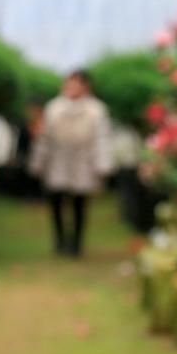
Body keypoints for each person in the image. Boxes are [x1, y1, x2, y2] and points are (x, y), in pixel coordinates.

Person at [29, 71, 113, 256]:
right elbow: (45, 139)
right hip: (58, 162)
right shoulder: (54, 108)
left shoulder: (96, 110)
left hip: (83, 163)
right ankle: (60, 241)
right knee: (56, 203)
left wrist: (102, 165)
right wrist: (38, 163)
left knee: (79, 205)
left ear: (86, 86)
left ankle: (76, 244)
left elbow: (101, 140)